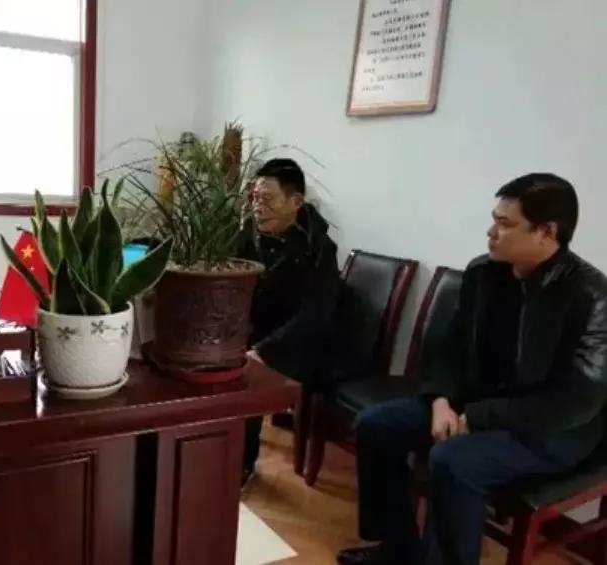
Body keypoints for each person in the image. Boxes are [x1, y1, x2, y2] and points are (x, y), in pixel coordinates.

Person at [338, 173, 607, 565]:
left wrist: (478, 418)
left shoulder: (592, 297)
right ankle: (398, 549)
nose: (490, 232)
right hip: (475, 404)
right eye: (494, 220)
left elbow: (575, 402)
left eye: (505, 224)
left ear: (547, 232)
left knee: (453, 460)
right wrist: (441, 400)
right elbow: (448, 347)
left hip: (551, 431)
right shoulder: (483, 273)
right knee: (375, 425)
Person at [237, 158, 342, 485]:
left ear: (295, 202)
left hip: (298, 342)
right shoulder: (248, 236)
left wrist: (264, 350)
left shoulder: (318, 248)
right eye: (255, 197)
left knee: (245, 373)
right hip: (255, 332)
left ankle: (241, 466)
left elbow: (316, 315)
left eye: (267, 199)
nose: (258, 207)